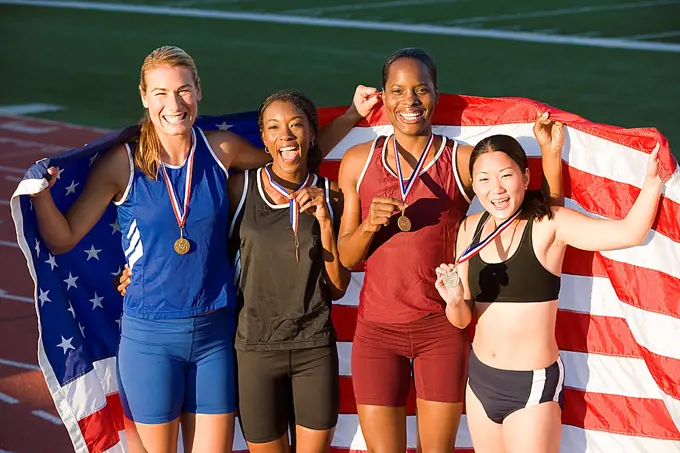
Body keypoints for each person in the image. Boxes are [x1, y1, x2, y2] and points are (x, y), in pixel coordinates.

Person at [30, 45, 378, 453]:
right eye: (160, 93)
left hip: (214, 338)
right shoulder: (121, 165)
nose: (173, 103)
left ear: (198, 92)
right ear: (144, 96)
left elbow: (293, 159)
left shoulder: (222, 150)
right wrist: (41, 195)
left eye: (183, 90)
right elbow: (64, 237)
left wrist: (353, 115)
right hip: (151, 340)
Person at [336, 47, 564, 453]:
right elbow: (348, 257)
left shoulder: (460, 161)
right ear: (384, 97)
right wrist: (371, 222)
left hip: (439, 331)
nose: (410, 101)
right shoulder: (357, 161)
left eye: (421, 90)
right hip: (376, 334)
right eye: (398, 91)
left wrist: (549, 155)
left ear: (436, 95)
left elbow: (538, 215)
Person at [118, 90, 350, 453]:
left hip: (313, 346)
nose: (286, 135)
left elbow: (337, 285)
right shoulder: (240, 187)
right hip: (253, 347)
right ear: (262, 136)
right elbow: (197, 232)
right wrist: (139, 267)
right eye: (274, 127)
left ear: (311, 131)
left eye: (296, 125)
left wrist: (352, 115)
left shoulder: (331, 195)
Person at [434, 135, 663, 453]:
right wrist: (455, 299)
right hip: (481, 381)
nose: (496, 189)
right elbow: (460, 321)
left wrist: (653, 182)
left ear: (525, 177)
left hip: (532, 387)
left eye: (506, 175)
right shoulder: (468, 230)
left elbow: (629, 233)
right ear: (473, 184)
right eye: (484, 179)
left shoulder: (549, 224)